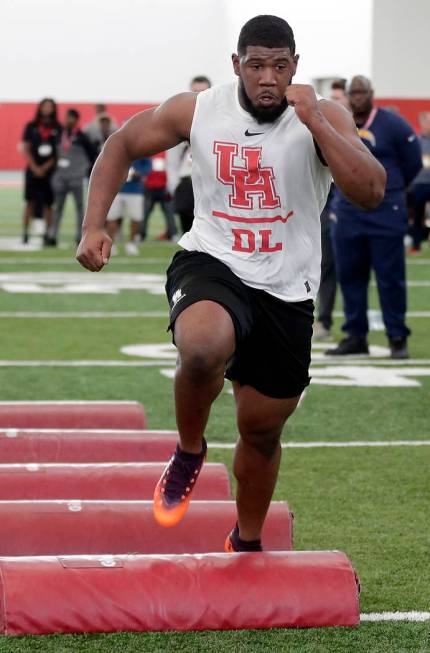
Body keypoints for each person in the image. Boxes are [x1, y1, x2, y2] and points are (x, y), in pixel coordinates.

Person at [77, 15, 385, 551]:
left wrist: (314, 121)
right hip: (213, 260)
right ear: (237, 65)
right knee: (201, 347)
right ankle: (190, 450)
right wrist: (94, 224)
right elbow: (121, 145)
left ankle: (246, 540)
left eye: (280, 66)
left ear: (296, 65)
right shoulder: (197, 109)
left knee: (261, 431)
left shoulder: (323, 113)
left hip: (287, 287)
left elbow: (372, 191)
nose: (269, 78)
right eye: (257, 65)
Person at [327, 75, 422, 360]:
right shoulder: (339, 123)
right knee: (350, 276)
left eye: (362, 92)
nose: (357, 97)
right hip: (347, 211)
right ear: (346, 95)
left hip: (385, 211)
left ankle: (396, 336)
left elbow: (414, 160)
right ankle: (356, 335)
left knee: (390, 277)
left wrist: (392, 189)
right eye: (352, 93)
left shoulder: (392, 124)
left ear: (371, 93)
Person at [313, 79, 349, 340]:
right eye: (332, 99)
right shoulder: (319, 126)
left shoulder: (358, 127)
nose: (335, 103)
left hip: (353, 199)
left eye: (340, 98)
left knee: (356, 265)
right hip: (327, 196)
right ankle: (322, 320)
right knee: (326, 262)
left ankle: (358, 326)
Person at [166, 76, 212, 234]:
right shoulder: (180, 120)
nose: (199, 95)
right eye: (195, 91)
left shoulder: (219, 120)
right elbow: (171, 160)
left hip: (212, 183)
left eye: (203, 91)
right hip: (186, 182)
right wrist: (174, 186)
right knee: (189, 233)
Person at [49, 108, 96, 246]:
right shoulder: (58, 134)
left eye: (70, 117)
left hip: (76, 177)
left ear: (76, 120)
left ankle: (80, 236)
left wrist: (84, 170)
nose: (67, 120)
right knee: (58, 207)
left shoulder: (82, 136)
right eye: (66, 117)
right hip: (61, 177)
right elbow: (53, 155)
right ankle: (53, 234)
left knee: (80, 208)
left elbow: (93, 155)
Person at [21, 98, 62, 244]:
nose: (47, 108)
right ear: (40, 108)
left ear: (53, 109)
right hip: (32, 170)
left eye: (50, 106)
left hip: (50, 171)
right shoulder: (31, 126)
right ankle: (25, 232)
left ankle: (48, 234)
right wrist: (35, 167)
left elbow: (59, 152)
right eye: (45, 106)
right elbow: (25, 148)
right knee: (30, 202)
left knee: (48, 204)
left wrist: (45, 168)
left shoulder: (57, 127)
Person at [106, 157, 152, 255]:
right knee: (112, 217)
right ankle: (111, 244)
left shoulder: (142, 147)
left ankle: (131, 243)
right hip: (117, 190)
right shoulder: (118, 146)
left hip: (135, 190)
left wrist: (139, 174)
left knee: (136, 218)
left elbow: (148, 167)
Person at [139, 156, 177, 241]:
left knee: (169, 213)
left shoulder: (168, 153)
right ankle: (141, 234)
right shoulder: (149, 152)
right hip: (150, 188)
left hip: (164, 188)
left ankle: (172, 234)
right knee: (145, 213)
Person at [408, 111, 430, 253]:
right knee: (417, 216)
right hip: (419, 184)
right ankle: (416, 246)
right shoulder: (416, 140)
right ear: (422, 124)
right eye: (427, 121)